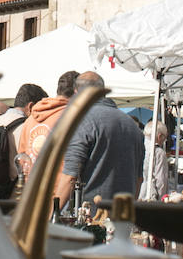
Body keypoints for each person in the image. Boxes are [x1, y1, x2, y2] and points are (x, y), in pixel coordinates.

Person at [54, 71, 144, 208]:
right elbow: (138, 179)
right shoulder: (132, 125)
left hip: (89, 219)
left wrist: (49, 216)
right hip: (122, 217)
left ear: (76, 92)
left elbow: (70, 177)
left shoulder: (82, 121)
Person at [19, 70, 76, 168]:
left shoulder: (30, 119)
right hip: (58, 181)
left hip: (32, 180)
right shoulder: (72, 117)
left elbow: (21, 157)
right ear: (77, 92)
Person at [138, 119, 169, 201]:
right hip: (149, 196)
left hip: (134, 194)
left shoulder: (136, 146)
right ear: (159, 136)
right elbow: (161, 181)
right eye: (164, 138)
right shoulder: (158, 152)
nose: (163, 141)